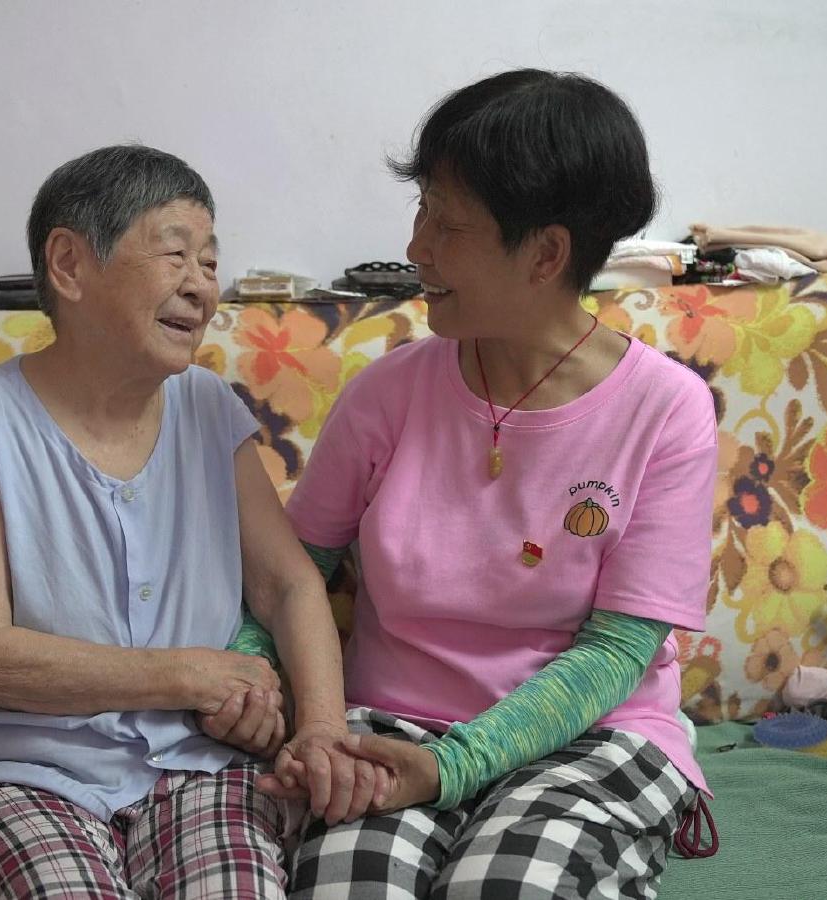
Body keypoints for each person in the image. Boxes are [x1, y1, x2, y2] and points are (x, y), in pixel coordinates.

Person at [250, 70, 717, 898]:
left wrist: (454, 766)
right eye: (421, 210)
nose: (417, 248)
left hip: (588, 737)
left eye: (449, 224)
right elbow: (290, 573)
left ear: (546, 254)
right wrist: (249, 679)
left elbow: (618, 652)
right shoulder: (387, 393)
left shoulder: (665, 411)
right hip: (388, 729)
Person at [0, 145, 378, 899]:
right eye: (175, 253)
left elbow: (289, 586)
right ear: (69, 265)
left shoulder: (209, 407)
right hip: (25, 773)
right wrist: (190, 674)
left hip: (199, 768)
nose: (201, 285)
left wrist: (319, 727)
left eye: (210, 261)